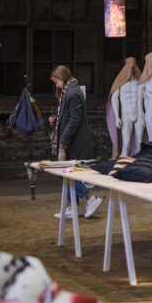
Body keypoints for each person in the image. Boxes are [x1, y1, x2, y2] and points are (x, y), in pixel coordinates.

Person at [49, 65, 102, 219]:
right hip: (72, 140)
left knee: (67, 174)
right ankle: (72, 207)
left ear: (62, 78)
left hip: (75, 141)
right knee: (68, 174)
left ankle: (91, 198)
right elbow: (69, 116)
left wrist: (63, 140)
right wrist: (56, 119)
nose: (57, 85)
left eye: (56, 82)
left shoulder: (73, 93)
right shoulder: (69, 91)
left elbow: (75, 120)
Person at [106, 57, 144, 156]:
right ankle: (123, 164)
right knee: (126, 145)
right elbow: (114, 98)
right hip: (126, 115)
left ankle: (138, 164)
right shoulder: (121, 82)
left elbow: (147, 98)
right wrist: (117, 117)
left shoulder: (139, 82)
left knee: (139, 145)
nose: (132, 70)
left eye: (133, 68)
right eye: (130, 67)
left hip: (138, 114)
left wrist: (144, 115)